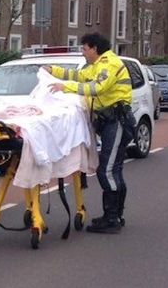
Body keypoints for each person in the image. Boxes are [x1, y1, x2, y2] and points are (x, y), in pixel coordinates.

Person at [43, 32, 133, 234]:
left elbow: (96, 88)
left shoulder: (109, 64)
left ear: (94, 48)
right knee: (114, 169)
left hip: (117, 121)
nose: (83, 53)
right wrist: (52, 70)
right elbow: (77, 76)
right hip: (110, 121)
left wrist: (64, 87)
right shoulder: (96, 66)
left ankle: (112, 219)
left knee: (107, 170)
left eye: (84, 48)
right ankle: (116, 215)